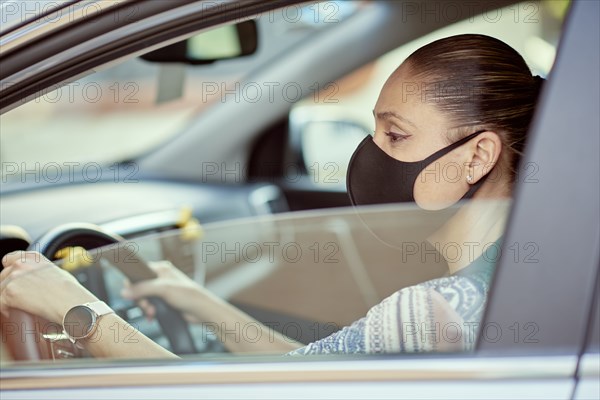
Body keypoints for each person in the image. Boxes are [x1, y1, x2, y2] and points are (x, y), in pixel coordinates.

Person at [0, 34, 544, 358]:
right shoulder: (507, 279)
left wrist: (76, 308)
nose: (369, 155)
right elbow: (310, 374)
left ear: (478, 156)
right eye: (371, 130)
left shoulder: (432, 312)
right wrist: (200, 302)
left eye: (395, 135)